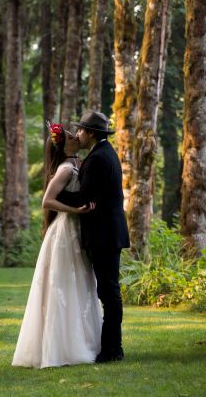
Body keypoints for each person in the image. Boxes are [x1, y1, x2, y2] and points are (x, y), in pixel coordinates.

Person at [12, 124, 102, 369]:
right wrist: (75, 210)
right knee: (63, 283)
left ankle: (83, 340)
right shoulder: (64, 169)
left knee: (80, 283)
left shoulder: (77, 164)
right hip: (65, 231)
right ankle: (63, 346)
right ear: (64, 145)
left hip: (77, 230)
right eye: (72, 137)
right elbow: (47, 201)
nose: (77, 137)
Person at [57, 110, 130, 363]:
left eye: (80, 130)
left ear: (90, 133)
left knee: (109, 293)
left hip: (104, 234)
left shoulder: (98, 158)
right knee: (108, 292)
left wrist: (55, 196)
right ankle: (112, 346)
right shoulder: (104, 153)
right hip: (107, 232)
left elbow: (85, 198)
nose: (77, 134)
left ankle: (113, 349)